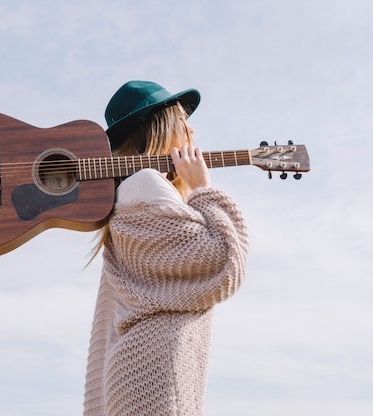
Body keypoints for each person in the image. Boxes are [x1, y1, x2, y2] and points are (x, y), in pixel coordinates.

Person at [83, 80, 249, 415]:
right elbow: (221, 261)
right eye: (184, 124)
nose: (192, 134)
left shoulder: (127, 196)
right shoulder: (145, 185)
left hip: (137, 371)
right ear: (161, 130)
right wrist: (203, 187)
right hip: (155, 376)